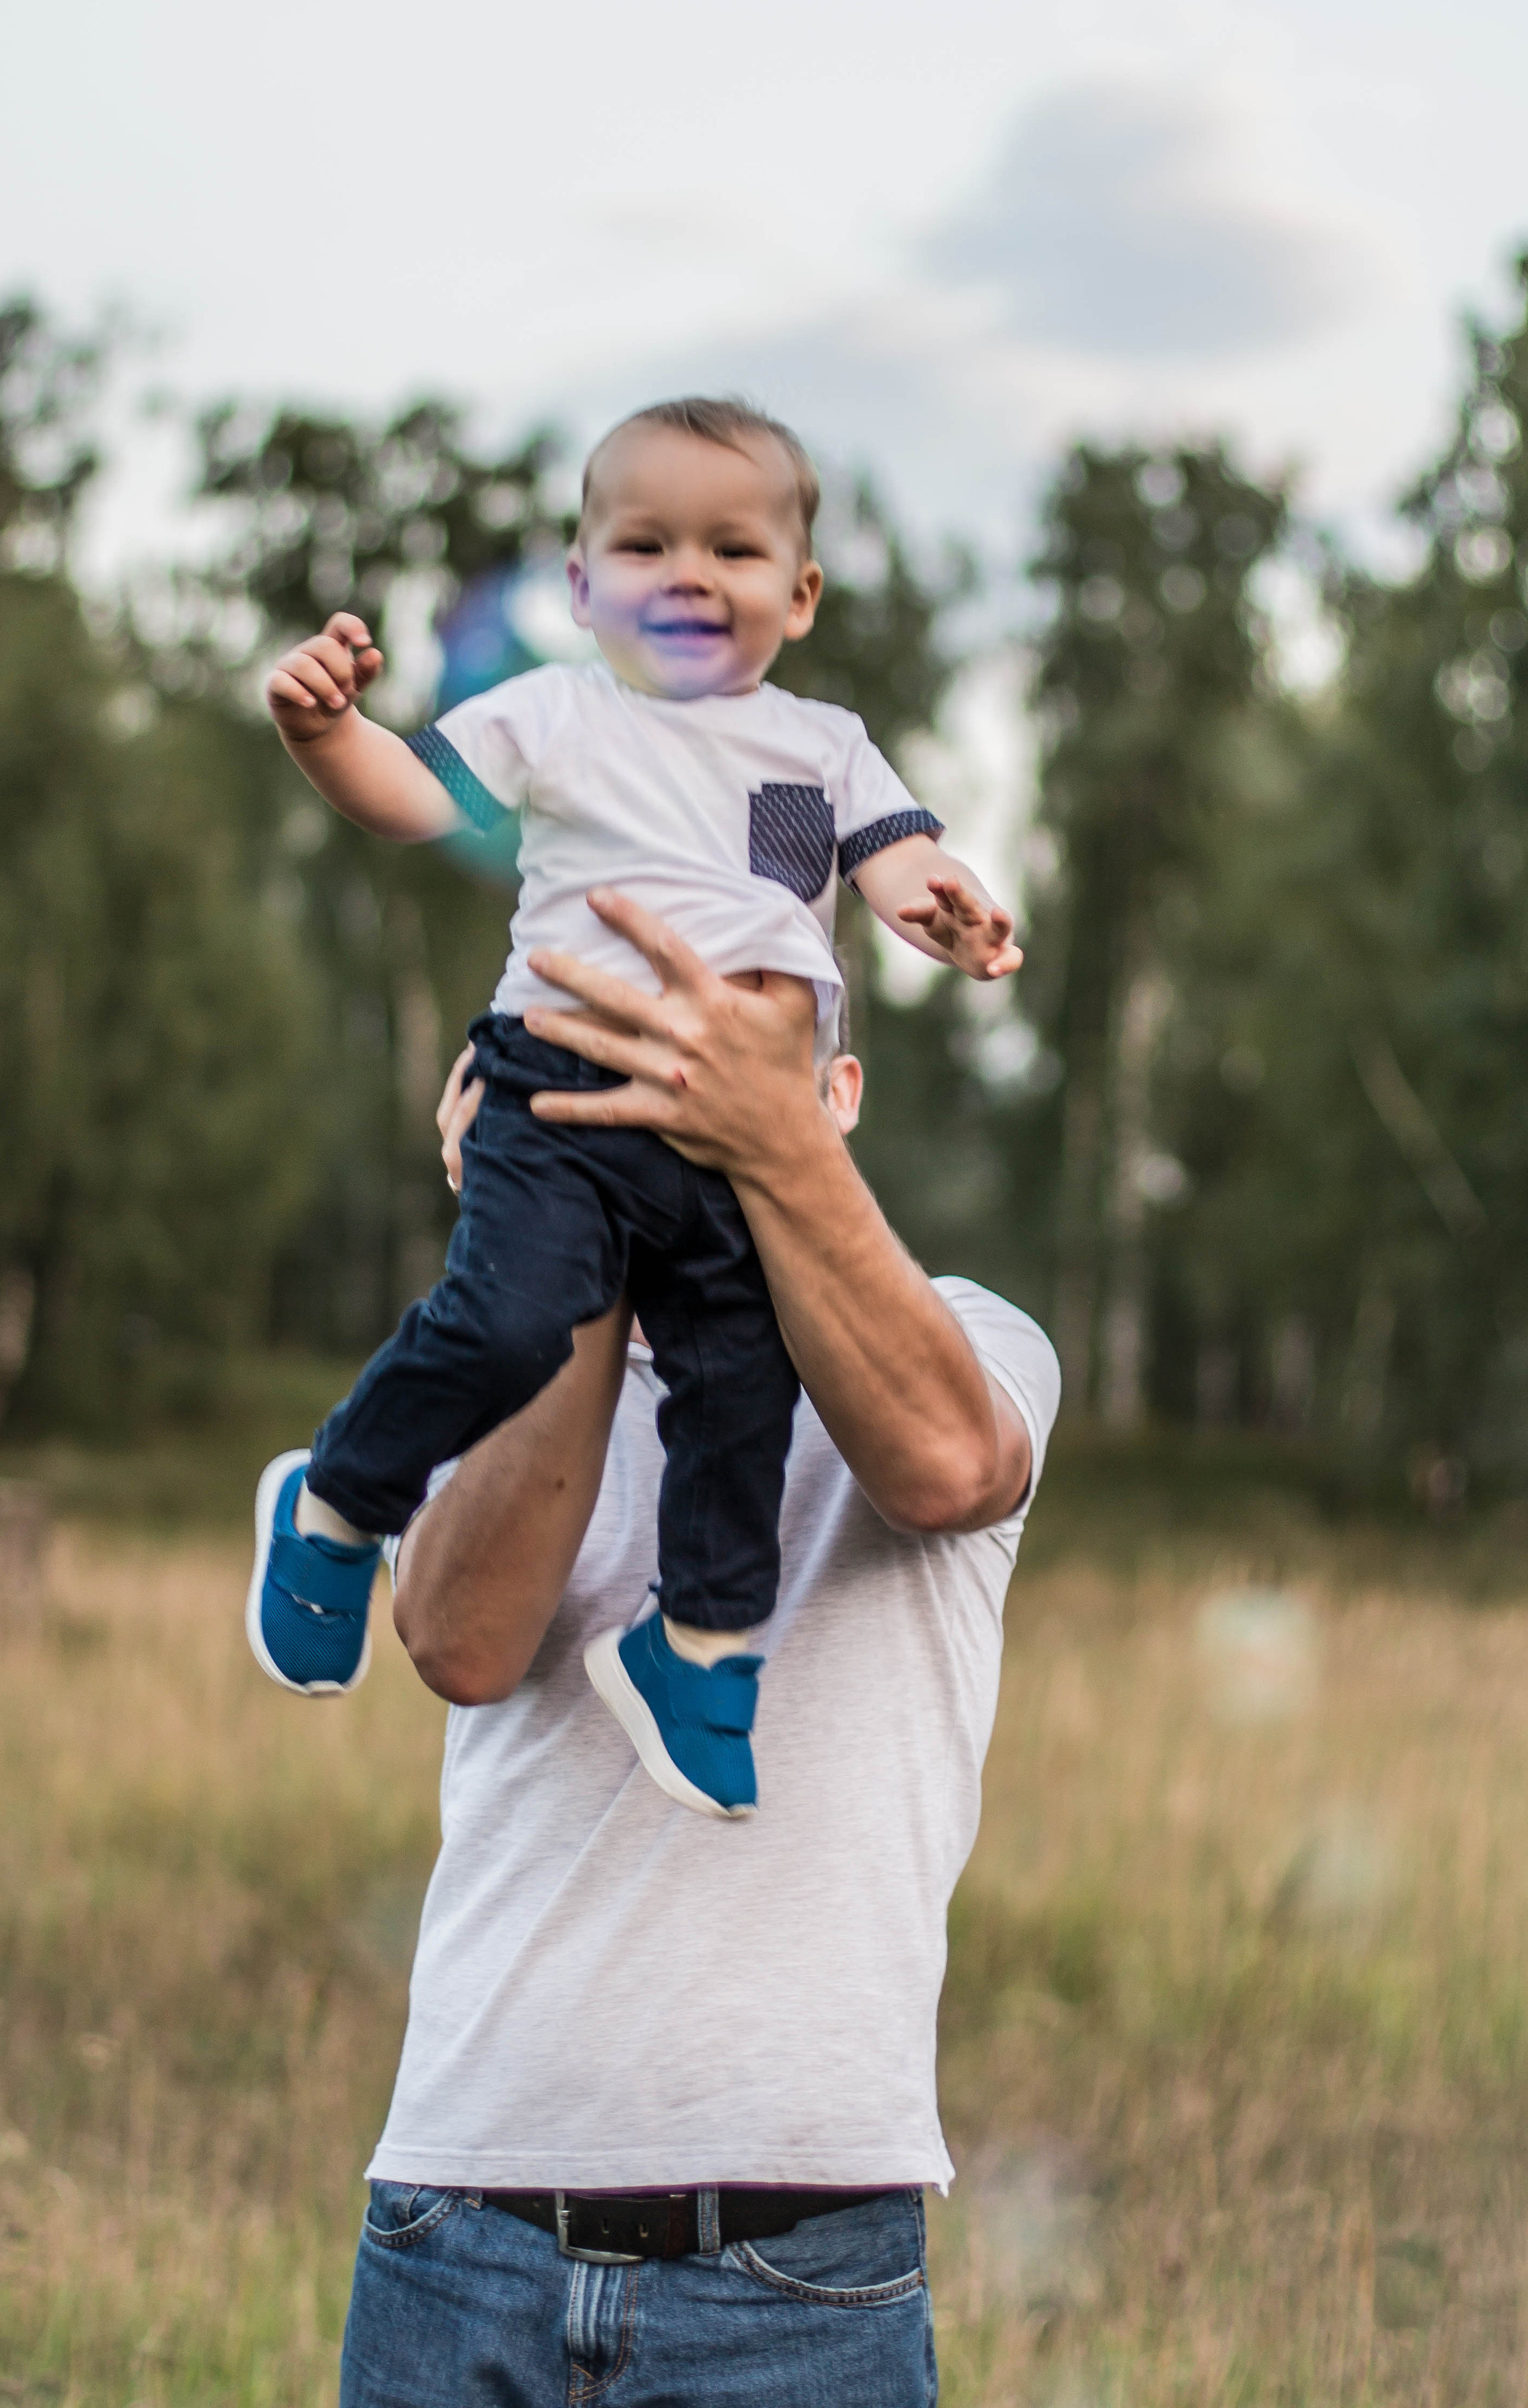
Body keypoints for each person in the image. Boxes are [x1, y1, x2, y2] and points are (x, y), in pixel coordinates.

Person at [246, 396, 1022, 1815]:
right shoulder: (555, 714)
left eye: (731, 549)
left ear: (796, 597)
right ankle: (340, 1500)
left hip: (740, 1142)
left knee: (743, 1384)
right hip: (559, 1091)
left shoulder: (823, 746)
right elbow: (410, 797)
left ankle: (700, 1650)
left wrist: (947, 909)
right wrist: (320, 733)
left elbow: (899, 863)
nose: (687, 573)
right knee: (509, 1317)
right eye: (645, 542)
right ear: (580, 585)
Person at [334, 901, 1060, 2408]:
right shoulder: (473, 1367)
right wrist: (557, 1236)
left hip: (794, 2282)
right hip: (459, 2234)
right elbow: (459, 1640)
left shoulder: (980, 1342)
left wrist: (756, 1147)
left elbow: (938, 1467)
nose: (674, 1088)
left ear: (837, 1098)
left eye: (730, 1044)